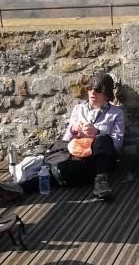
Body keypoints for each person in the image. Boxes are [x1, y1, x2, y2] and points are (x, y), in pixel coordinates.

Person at [52, 72, 124, 200]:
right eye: (90, 89)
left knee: (103, 139)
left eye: (97, 90)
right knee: (64, 170)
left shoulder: (116, 113)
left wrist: (97, 133)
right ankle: (19, 187)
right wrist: (74, 130)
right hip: (81, 157)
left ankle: (101, 181)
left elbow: (117, 144)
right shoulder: (79, 109)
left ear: (106, 94)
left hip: (103, 159)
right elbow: (66, 140)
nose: (92, 93)